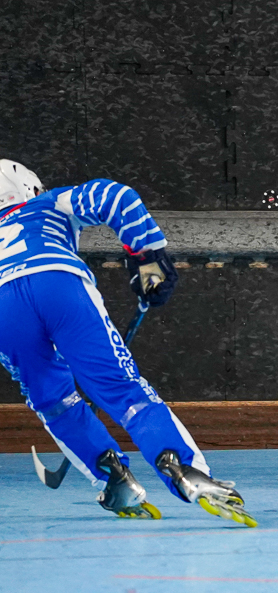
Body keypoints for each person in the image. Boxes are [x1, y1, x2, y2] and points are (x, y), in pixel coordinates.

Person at [0, 159, 255, 525]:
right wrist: (148, 259)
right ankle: (184, 470)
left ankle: (113, 478)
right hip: (57, 282)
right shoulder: (48, 203)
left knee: (53, 402)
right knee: (123, 390)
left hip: (2, 306)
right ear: (29, 189)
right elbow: (116, 196)